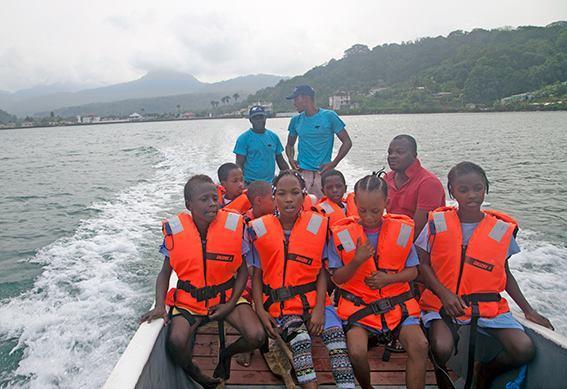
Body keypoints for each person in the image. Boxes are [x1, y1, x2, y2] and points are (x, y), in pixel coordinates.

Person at [416, 162, 554, 389]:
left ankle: (485, 372)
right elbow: (422, 264)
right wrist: (444, 294)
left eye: (478, 188)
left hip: (487, 306)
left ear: (485, 188)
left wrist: (529, 310)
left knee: (524, 349)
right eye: (463, 190)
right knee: (441, 348)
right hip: (443, 303)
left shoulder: (500, 229)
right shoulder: (436, 223)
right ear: (452, 191)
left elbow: (505, 273)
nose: (472, 195)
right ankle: (443, 382)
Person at [139, 175, 265, 387]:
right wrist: (160, 305)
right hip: (189, 301)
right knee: (176, 343)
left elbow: (243, 272)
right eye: (204, 199)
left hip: (226, 297)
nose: (212, 204)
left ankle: (226, 353)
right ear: (189, 205)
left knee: (257, 336)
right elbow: (164, 273)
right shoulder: (175, 231)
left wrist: (231, 303)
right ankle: (200, 376)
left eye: (215, 198)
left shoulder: (234, 226)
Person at [248, 170, 355, 388]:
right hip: (282, 306)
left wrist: (318, 310)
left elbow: (322, 271)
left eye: (295, 193)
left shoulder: (319, 225)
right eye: (282, 194)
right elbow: (257, 274)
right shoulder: (259, 229)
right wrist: (260, 310)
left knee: (337, 343)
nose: (289, 199)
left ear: (304, 196)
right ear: (274, 196)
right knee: (301, 342)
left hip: (317, 302)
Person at [328, 173, 428, 389]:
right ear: (354, 203)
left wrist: (388, 279)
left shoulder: (401, 231)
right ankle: (367, 387)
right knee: (355, 352)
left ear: (386, 202)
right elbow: (336, 279)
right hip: (360, 308)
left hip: (397, 306)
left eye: (375, 210)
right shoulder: (342, 234)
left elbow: (413, 272)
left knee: (420, 345)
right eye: (362, 210)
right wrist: (356, 261)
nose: (369, 217)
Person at [285, 85, 352, 199]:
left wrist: (334, 163)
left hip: (323, 174)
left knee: (326, 209)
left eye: (296, 99)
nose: (294, 103)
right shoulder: (295, 121)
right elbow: (289, 145)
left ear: (306, 98)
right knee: (304, 209)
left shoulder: (329, 116)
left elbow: (347, 142)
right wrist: (291, 160)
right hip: (303, 173)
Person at [384, 135, 445, 237]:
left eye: (400, 152)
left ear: (414, 155)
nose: (392, 156)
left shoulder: (428, 183)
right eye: (390, 152)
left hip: (418, 245)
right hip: (392, 237)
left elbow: (419, 229)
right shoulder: (387, 179)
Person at [234, 106, 290, 184]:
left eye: (261, 117)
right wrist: (240, 183)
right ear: (250, 120)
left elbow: (281, 161)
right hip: (250, 183)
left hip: (270, 183)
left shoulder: (273, 137)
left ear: (265, 118)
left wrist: (291, 176)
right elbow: (239, 164)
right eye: (255, 118)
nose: (259, 120)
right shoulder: (243, 139)